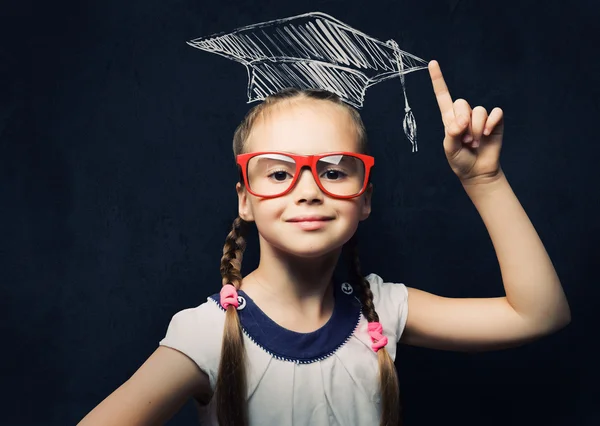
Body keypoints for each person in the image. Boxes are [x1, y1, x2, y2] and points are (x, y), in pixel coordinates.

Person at [78, 61, 571, 426]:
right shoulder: (205, 333)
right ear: (245, 199)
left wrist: (484, 180)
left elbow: (539, 314)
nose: (309, 189)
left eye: (334, 171)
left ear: (365, 199)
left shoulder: (386, 310)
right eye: (278, 172)